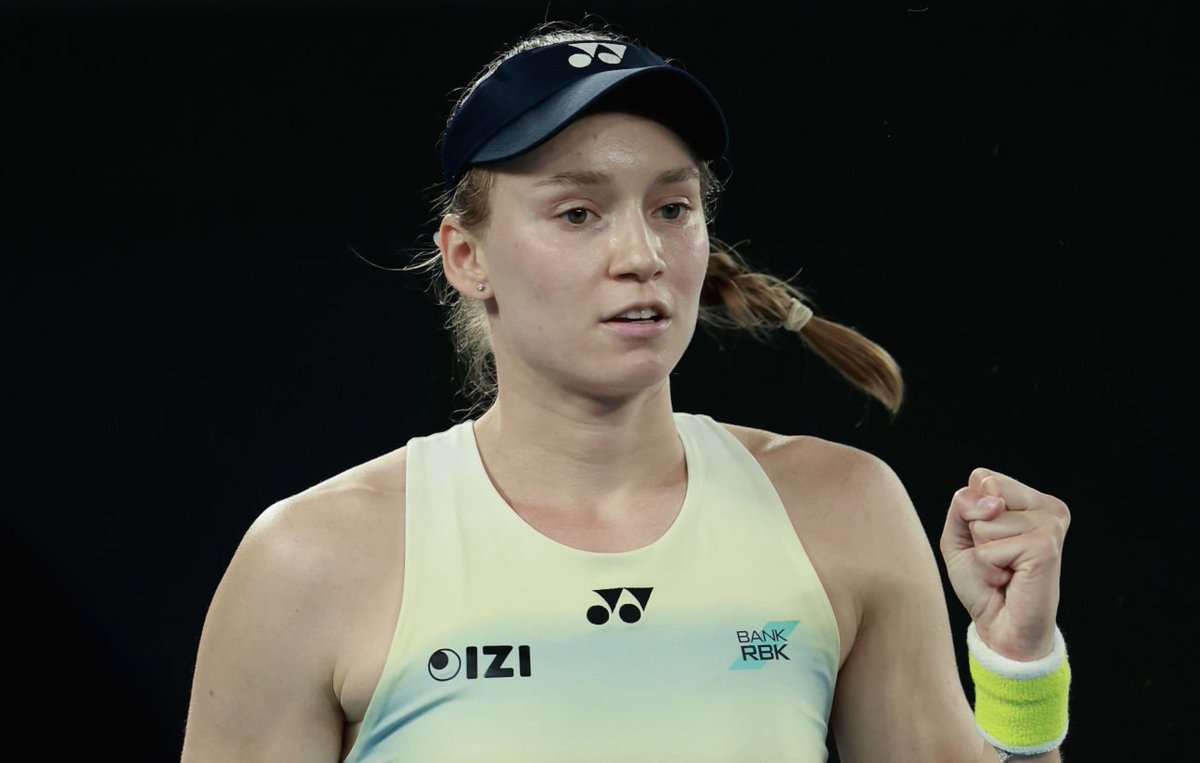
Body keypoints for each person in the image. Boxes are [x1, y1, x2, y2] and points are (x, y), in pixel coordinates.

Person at [181, 20, 1072, 763]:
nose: (640, 254)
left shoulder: (841, 508)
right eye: (579, 212)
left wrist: (1018, 661)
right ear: (466, 256)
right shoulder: (313, 559)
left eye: (671, 207)